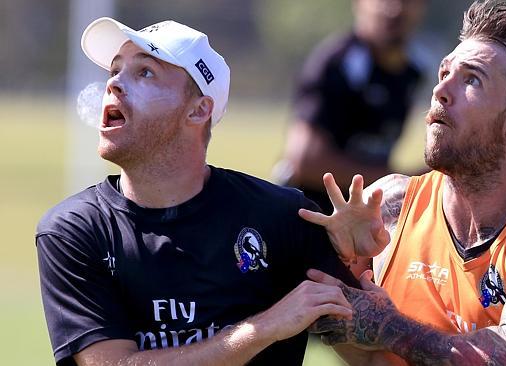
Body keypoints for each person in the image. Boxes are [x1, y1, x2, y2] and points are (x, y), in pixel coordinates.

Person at [36, 18, 358, 366]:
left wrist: (373, 257)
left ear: (199, 109)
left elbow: (370, 351)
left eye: (144, 72)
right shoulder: (73, 230)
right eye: (114, 70)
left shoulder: (283, 218)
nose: (113, 83)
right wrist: (262, 329)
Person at [299, 1, 506, 365]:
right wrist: (339, 275)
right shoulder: (392, 205)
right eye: (444, 72)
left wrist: (387, 326)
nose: (441, 90)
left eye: (471, 79)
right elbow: (372, 358)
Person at [273, 0, 428, 214]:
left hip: (355, 222)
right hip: (306, 218)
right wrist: (401, 182)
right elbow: (306, 161)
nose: (395, 9)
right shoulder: (337, 64)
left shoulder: (412, 74)